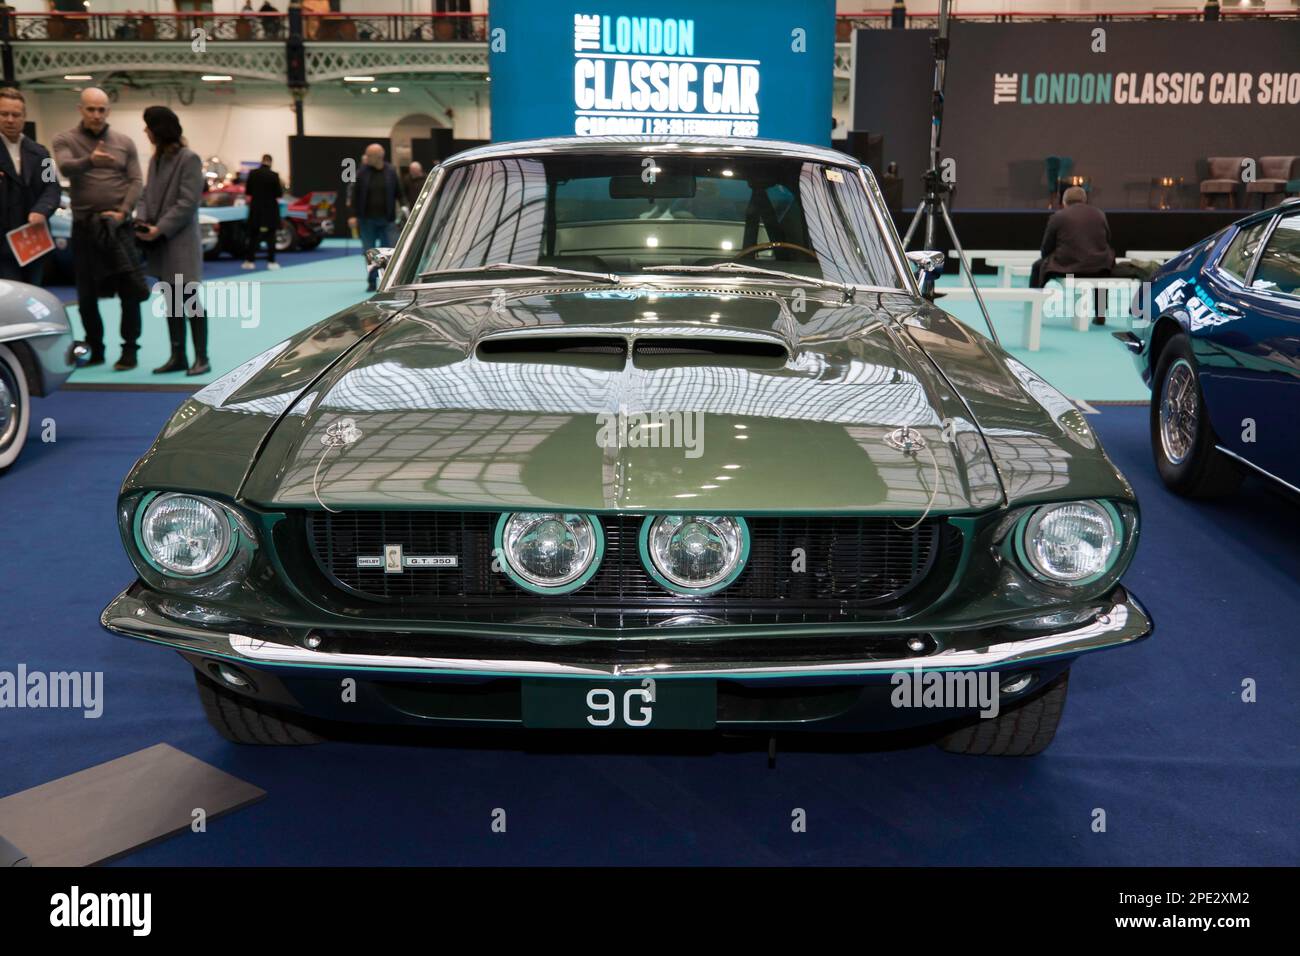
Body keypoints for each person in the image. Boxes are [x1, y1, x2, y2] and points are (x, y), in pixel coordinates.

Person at [52, 87, 146, 370]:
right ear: (81, 109)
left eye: (101, 109)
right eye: (91, 109)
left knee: (129, 293)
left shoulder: (124, 142)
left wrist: (121, 212)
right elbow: (65, 168)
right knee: (87, 296)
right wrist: (90, 161)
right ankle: (96, 349)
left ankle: (129, 350)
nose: (96, 114)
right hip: (85, 229)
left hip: (119, 228)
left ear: (108, 111)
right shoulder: (64, 139)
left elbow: (136, 181)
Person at [136, 105, 208, 376]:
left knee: (189, 300)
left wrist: (160, 228)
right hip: (161, 242)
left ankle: (202, 357)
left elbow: (188, 202)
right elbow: (146, 195)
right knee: (170, 301)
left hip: (180, 243)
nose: (145, 132)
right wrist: (142, 220)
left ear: (159, 129)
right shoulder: (155, 159)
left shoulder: (189, 159)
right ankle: (177, 356)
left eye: (148, 126)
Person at [0, 88, 60, 285]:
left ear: (24, 117)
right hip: (2, 245)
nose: (10, 119)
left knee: (33, 294)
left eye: (16, 115)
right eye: (4, 114)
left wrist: (41, 211)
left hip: (34, 242)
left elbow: (53, 187)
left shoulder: (42, 153)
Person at [1031, 185, 1115, 325]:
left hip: (1067, 266)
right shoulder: (1100, 214)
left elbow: (1046, 247)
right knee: (1102, 269)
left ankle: (1034, 308)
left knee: (1037, 266)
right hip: (1098, 265)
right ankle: (1100, 314)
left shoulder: (1058, 216)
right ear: (1085, 200)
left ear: (1064, 202)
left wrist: (1048, 257)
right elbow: (1107, 239)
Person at [346, 143, 399, 292]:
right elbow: (353, 196)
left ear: (379, 157)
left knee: (389, 252)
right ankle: (371, 281)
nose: (366, 157)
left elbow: (399, 193)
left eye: (369, 155)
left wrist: (406, 211)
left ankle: (388, 283)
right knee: (370, 253)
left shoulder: (391, 171)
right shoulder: (361, 173)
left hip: (387, 220)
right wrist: (352, 215)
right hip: (366, 220)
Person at [242, 153, 283, 271]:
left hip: (256, 208)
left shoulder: (253, 174)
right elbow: (279, 193)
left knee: (253, 235)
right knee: (271, 236)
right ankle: (272, 262)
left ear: (262, 161)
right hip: (271, 208)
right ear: (271, 162)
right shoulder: (274, 175)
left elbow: (248, 191)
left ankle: (250, 261)